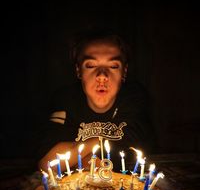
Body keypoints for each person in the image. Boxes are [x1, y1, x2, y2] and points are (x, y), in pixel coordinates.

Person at [36, 27, 155, 173]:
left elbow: (133, 152)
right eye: (91, 65)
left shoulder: (134, 97)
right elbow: (47, 163)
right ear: (79, 71)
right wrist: (98, 145)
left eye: (113, 66)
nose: (102, 76)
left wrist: (81, 152)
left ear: (124, 72)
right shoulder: (65, 99)